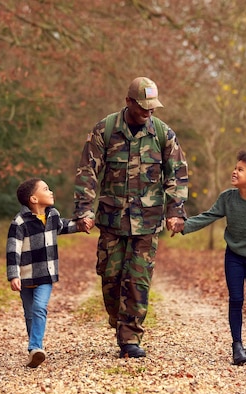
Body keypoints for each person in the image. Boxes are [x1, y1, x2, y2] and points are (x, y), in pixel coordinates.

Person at [74, 76, 189, 358]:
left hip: (147, 223)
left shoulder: (163, 134)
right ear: (128, 102)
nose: (148, 113)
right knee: (111, 279)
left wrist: (176, 211)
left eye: (152, 109)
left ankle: (130, 338)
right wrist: (84, 210)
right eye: (143, 108)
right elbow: (87, 172)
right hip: (112, 221)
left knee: (138, 281)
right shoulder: (105, 129)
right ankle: (119, 320)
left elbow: (177, 174)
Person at [173, 150, 246, 365]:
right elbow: (208, 216)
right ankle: (237, 346)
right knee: (235, 299)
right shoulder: (228, 198)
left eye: (240, 169)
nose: (234, 171)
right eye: (235, 167)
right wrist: (184, 226)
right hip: (234, 256)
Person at [7, 178, 92, 368]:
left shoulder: (53, 215)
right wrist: (14, 275)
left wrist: (80, 225)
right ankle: (33, 351)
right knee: (29, 313)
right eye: (46, 189)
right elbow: (13, 250)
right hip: (26, 275)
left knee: (39, 308)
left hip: (46, 274)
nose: (51, 191)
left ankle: (36, 346)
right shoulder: (20, 222)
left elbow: (63, 226)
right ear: (34, 199)